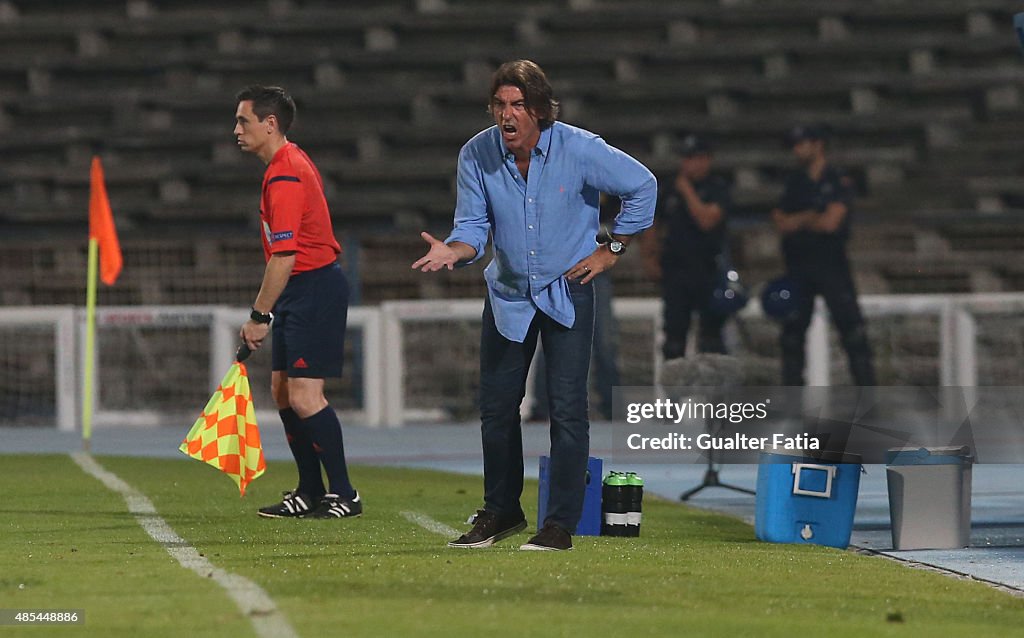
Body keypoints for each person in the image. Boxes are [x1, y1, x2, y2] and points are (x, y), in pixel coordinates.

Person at [412, 60, 656, 551]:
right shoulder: (476, 154)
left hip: (569, 289)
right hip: (508, 294)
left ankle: (560, 524)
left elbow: (643, 185)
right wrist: (453, 251)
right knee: (497, 410)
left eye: (518, 105)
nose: (507, 115)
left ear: (540, 110)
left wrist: (612, 251)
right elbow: (472, 228)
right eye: (500, 104)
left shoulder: (580, 148)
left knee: (568, 410)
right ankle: (501, 511)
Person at [233, 85, 361, 519]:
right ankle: (309, 490)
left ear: (270, 124)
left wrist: (258, 317)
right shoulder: (283, 166)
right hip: (301, 288)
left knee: (306, 395)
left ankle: (344, 494)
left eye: (243, 121)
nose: (236, 130)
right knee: (283, 392)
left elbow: (285, 255)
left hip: (313, 287)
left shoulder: (286, 174)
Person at [771, 124, 875, 386]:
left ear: (818, 144)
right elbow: (781, 222)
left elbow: (831, 223)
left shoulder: (837, 179)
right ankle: (792, 401)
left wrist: (801, 219)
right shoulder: (794, 181)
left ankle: (867, 400)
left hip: (830, 263)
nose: (797, 150)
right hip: (798, 263)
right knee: (792, 336)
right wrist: (811, 217)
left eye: (802, 143)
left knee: (852, 332)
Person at [530, 194, 622, 422]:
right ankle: (543, 406)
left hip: (597, 274)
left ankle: (613, 408)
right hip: (561, 270)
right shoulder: (564, 188)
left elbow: (627, 234)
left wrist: (613, 251)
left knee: (604, 341)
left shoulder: (615, 199)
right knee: (552, 338)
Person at [643, 133, 732, 359]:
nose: (688, 164)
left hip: (708, 269)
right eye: (685, 158)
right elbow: (653, 223)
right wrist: (650, 257)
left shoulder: (717, 187)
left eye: (694, 158)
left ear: (706, 160)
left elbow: (707, 220)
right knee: (673, 339)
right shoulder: (669, 189)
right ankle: (674, 393)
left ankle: (715, 394)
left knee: (711, 339)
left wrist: (687, 192)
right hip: (675, 270)